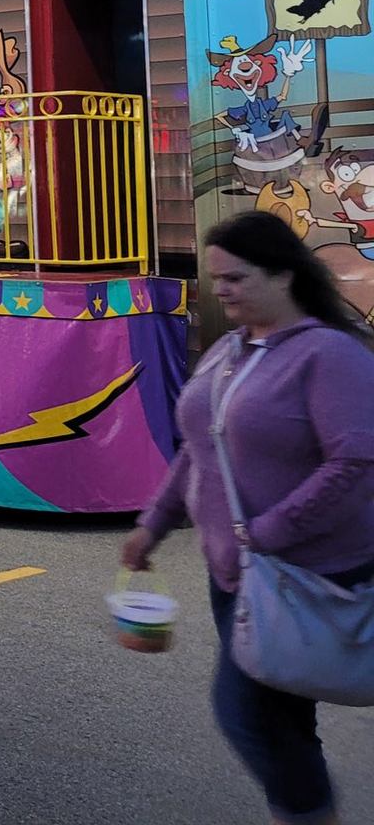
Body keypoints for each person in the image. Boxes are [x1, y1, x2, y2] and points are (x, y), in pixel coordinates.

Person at [122, 211, 374, 825]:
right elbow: (200, 447)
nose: (223, 291)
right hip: (238, 575)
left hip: (306, 572)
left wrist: (265, 533)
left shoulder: (329, 354)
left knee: (249, 713)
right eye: (217, 279)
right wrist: (153, 522)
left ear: (284, 275)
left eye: (236, 278)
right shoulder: (229, 351)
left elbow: (357, 461)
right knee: (279, 715)